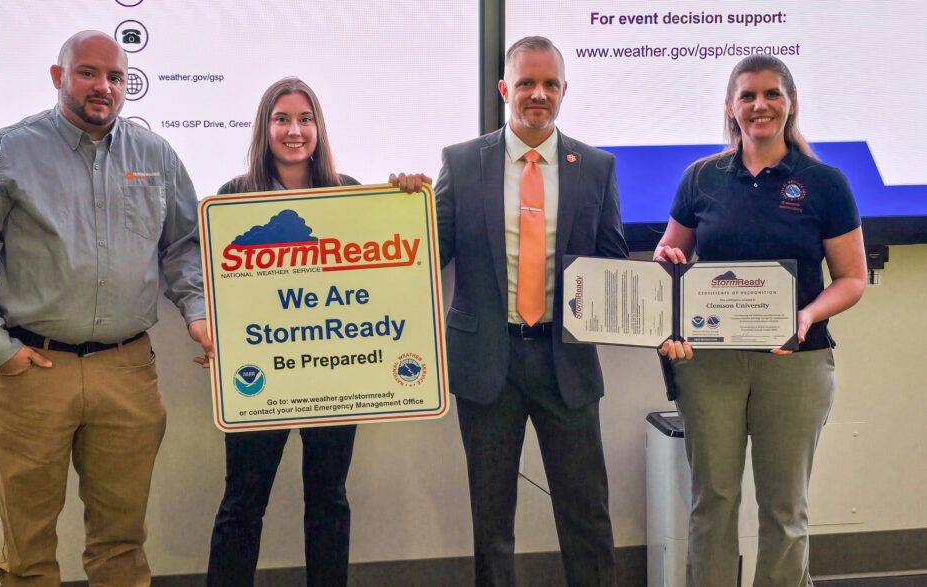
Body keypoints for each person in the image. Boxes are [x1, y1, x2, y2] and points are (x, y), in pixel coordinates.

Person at [0, 31, 213, 586]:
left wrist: (197, 312)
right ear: (57, 76)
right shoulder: (9, 150)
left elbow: (184, 247)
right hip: (34, 373)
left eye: (115, 77)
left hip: (127, 372)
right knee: (28, 547)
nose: (103, 87)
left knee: (122, 543)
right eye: (88, 72)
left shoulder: (156, 154)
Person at [655, 55, 867, 586]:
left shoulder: (824, 183)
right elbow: (669, 255)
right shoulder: (700, 178)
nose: (759, 105)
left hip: (795, 362)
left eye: (772, 94)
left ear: (791, 103)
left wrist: (807, 314)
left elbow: (851, 278)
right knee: (713, 502)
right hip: (711, 366)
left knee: (784, 509)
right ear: (731, 107)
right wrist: (667, 264)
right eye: (747, 95)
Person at [207, 76, 427, 587]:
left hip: (333, 376)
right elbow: (218, 286)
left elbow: (383, 269)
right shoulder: (234, 196)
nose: (294, 131)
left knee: (329, 499)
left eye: (305, 119)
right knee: (243, 503)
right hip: (262, 375)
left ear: (318, 128)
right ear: (264, 128)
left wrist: (404, 196)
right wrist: (217, 334)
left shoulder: (346, 191)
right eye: (282, 119)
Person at [428, 36, 627, 586]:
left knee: (587, 514)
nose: (538, 94)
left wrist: (663, 290)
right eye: (526, 83)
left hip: (566, 361)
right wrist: (406, 205)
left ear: (564, 90)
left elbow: (613, 263)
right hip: (486, 362)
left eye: (549, 84)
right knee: (492, 520)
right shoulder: (462, 163)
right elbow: (429, 253)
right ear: (504, 89)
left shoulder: (596, 166)